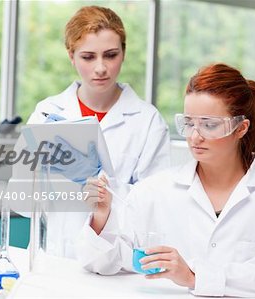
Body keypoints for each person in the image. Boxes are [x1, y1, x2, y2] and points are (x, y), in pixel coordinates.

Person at [76, 63, 255, 298]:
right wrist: (101, 217)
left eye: (209, 125)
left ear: (241, 128)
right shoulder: (154, 190)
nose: (195, 137)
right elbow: (103, 263)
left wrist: (194, 277)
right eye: (188, 123)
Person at [18, 6, 170, 257]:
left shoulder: (147, 121)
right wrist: (52, 177)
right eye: (88, 57)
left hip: (113, 259)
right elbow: (23, 203)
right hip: (53, 256)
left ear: (124, 52)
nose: (100, 68)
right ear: (71, 56)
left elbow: (155, 208)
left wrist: (106, 189)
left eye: (110, 55)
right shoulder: (47, 113)